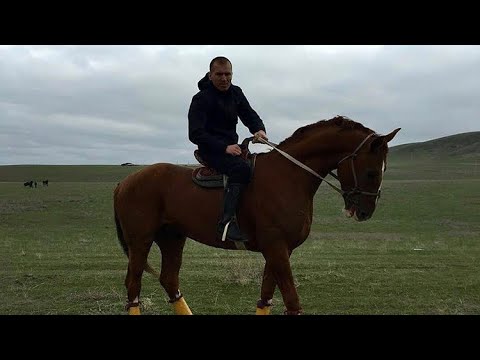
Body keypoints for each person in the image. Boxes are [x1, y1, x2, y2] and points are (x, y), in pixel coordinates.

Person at [188, 56, 268, 242]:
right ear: (210, 75)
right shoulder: (201, 99)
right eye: (219, 74)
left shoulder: (236, 92)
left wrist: (259, 130)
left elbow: (249, 115)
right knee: (240, 169)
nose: (224, 79)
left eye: (228, 74)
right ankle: (226, 223)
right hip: (211, 149)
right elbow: (195, 134)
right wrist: (224, 147)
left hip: (234, 147)